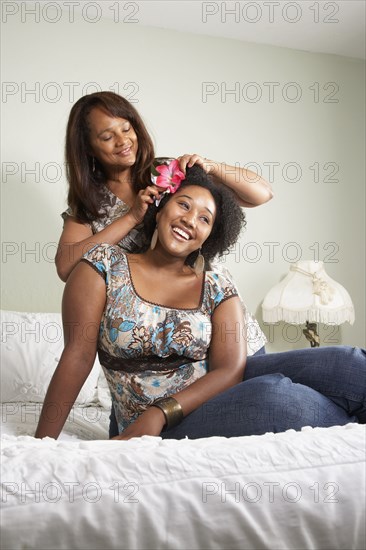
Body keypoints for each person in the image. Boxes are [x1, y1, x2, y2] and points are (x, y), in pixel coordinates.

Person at [35, 167, 365, 440]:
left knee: (351, 363)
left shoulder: (216, 285)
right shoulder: (103, 266)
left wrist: (162, 411)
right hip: (149, 425)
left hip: (195, 399)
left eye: (205, 219)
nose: (191, 220)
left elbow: (229, 370)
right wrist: (41, 446)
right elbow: (77, 355)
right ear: (160, 207)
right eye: (184, 205)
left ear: (210, 236)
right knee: (277, 395)